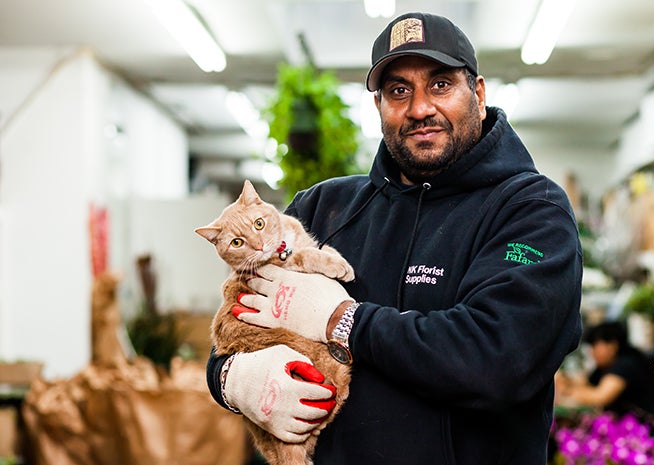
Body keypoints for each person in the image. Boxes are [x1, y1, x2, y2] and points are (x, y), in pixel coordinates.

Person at [206, 11, 583, 465]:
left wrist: (342, 321)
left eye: (441, 84)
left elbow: (496, 358)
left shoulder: (530, 209)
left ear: (478, 94)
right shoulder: (323, 208)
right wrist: (233, 380)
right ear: (380, 107)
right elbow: (233, 329)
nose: (420, 108)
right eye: (398, 91)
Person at [555, 321, 654, 421]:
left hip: (645, 428)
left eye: (596, 346)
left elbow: (600, 397)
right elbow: (588, 383)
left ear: (612, 345)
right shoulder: (605, 366)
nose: (593, 352)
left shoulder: (626, 364)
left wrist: (566, 391)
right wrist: (566, 380)